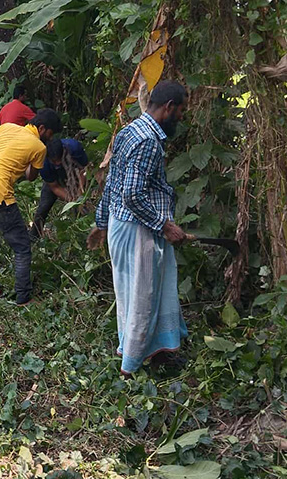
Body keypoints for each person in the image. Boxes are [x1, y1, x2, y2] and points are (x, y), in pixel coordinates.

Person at [87, 80, 190, 376]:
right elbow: (132, 194)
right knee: (142, 299)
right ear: (168, 107)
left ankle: (157, 354)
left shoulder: (131, 130)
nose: (181, 117)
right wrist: (164, 225)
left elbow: (113, 183)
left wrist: (102, 222)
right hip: (137, 231)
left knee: (146, 294)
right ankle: (129, 369)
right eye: (181, 111)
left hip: (125, 227)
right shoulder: (147, 141)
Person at [0, 109, 62, 305]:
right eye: (50, 134)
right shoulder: (39, 147)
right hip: (0, 196)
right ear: (42, 128)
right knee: (22, 247)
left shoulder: (6, 127)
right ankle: (23, 296)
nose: (49, 138)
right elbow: (31, 177)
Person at [29, 138, 89, 240]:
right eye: (54, 161)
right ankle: (33, 237)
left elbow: (83, 169)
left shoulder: (73, 147)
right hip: (54, 179)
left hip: (73, 173)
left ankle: (85, 234)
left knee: (83, 207)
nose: (57, 163)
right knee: (43, 207)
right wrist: (71, 199)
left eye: (58, 159)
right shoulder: (43, 162)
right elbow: (54, 187)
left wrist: (80, 192)